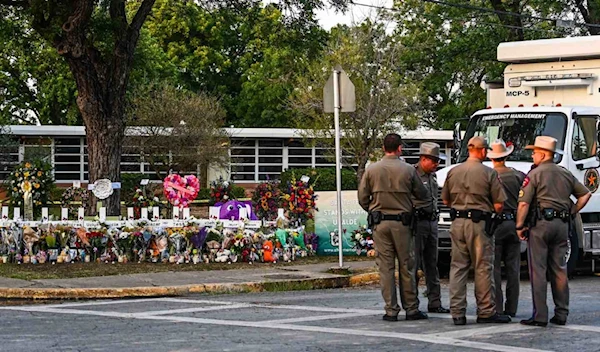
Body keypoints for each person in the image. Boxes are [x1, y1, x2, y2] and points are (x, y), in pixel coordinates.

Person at [516, 136, 591, 327]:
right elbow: (585, 194)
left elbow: (524, 203)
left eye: (534, 152)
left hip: (540, 226)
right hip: (562, 225)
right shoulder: (564, 173)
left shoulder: (535, 174)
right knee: (559, 269)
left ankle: (540, 315)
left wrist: (519, 226)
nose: (532, 155)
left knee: (538, 270)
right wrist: (572, 212)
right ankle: (561, 313)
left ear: (542, 154)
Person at [358, 133, 429, 321]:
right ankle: (411, 308)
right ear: (399, 148)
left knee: (386, 268)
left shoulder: (372, 170)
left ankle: (391, 310)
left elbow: (362, 198)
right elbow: (422, 195)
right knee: (406, 266)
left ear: (383, 148)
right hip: (403, 224)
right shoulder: (408, 170)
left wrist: (373, 209)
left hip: (380, 224)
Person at [441, 136, 511, 325]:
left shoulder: (453, 172)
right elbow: (498, 204)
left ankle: (457, 312)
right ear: (482, 151)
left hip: (457, 223)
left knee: (458, 267)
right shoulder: (488, 173)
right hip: (479, 225)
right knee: (482, 267)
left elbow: (446, 200)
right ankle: (486, 310)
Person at [487, 139, 526, 318]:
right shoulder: (518, 175)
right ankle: (512, 306)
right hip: (514, 222)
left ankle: (498, 307)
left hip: (495, 224)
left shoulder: (489, 175)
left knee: (494, 268)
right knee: (513, 268)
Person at [412, 142, 450, 314]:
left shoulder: (432, 176)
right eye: (434, 161)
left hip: (432, 222)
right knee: (413, 264)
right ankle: (412, 303)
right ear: (423, 159)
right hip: (417, 223)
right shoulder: (412, 174)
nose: (437, 165)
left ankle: (435, 302)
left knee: (432, 264)